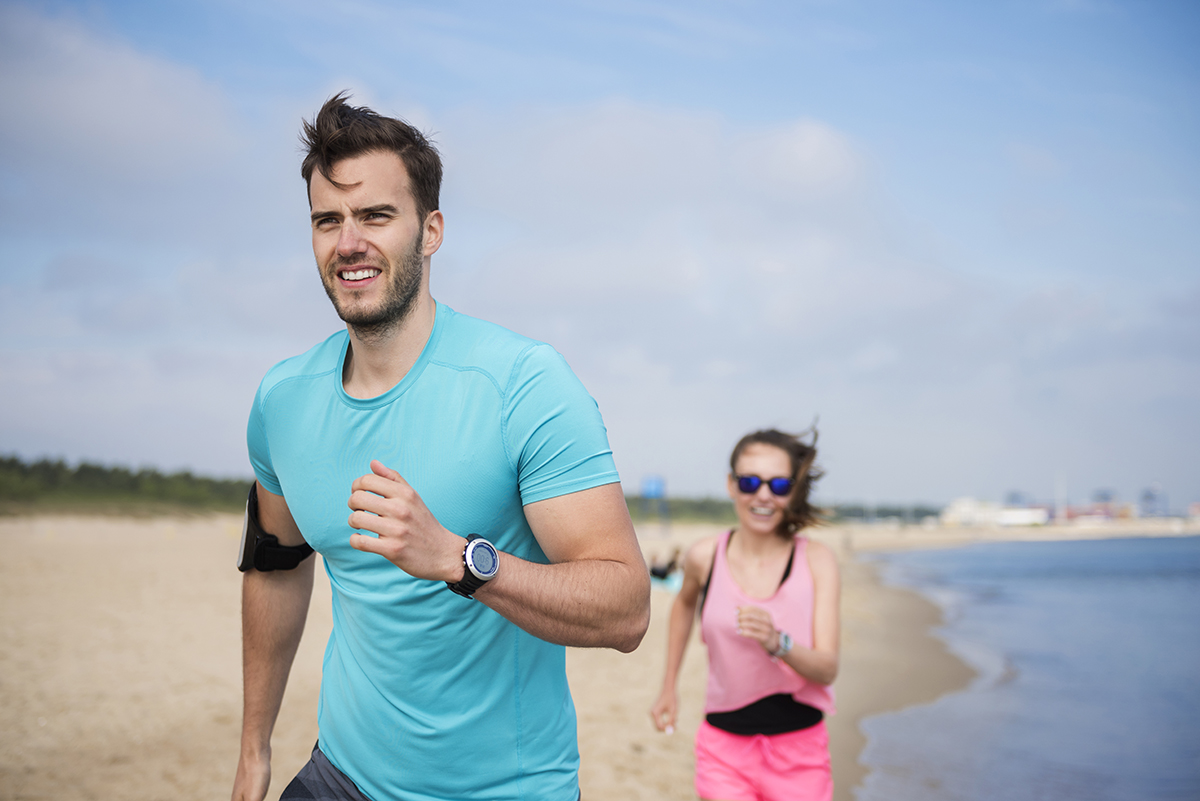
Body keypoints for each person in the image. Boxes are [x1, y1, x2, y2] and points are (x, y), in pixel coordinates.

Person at [231, 93, 651, 801]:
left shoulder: (524, 383)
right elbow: (275, 563)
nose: (348, 242)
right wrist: (253, 749)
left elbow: (626, 607)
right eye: (327, 220)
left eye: (375, 216)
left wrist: (462, 560)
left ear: (430, 231)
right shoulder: (283, 399)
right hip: (342, 774)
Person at [650, 428, 839, 801]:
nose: (763, 495)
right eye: (750, 482)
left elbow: (827, 668)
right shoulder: (704, 556)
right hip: (723, 752)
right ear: (731, 485)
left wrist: (778, 643)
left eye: (779, 485)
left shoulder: (817, 561)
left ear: (793, 491)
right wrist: (668, 686)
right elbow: (684, 604)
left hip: (800, 754)